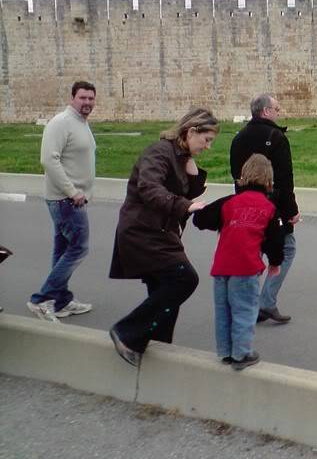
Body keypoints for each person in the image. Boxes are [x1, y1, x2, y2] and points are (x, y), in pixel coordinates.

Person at [108, 108, 219, 367]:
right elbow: (149, 188)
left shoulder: (179, 157)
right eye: (206, 139)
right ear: (191, 131)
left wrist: (192, 170)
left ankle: (156, 346)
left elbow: (186, 190)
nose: (208, 146)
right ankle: (127, 332)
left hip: (160, 232)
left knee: (164, 290)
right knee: (184, 279)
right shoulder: (158, 152)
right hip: (142, 232)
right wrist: (184, 206)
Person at [193, 155, 285, 371]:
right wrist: (275, 262)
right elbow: (276, 239)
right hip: (246, 268)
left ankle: (225, 352)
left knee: (223, 311)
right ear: (269, 181)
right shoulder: (269, 207)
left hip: (221, 267)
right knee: (244, 310)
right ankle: (242, 354)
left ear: (242, 177)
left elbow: (201, 219)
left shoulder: (229, 202)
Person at [27, 81, 97, 323]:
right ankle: (41, 299)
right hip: (66, 200)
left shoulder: (80, 123)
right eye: (82, 98)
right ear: (72, 98)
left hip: (72, 198)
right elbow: (48, 160)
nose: (87, 102)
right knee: (78, 248)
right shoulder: (61, 123)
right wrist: (72, 191)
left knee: (63, 249)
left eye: (90, 98)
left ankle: (61, 301)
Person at [230, 94, 300, 325]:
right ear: (266, 111)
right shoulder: (276, 136)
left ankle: (245, 304)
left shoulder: (238, 138)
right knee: (286, 249)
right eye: (277, 109)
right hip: (273, 208)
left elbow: (235, 174)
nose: (279, 112)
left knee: (254, 251)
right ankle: (266, 302)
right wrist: (291, 210)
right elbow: (284, 178)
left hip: (245, 205)